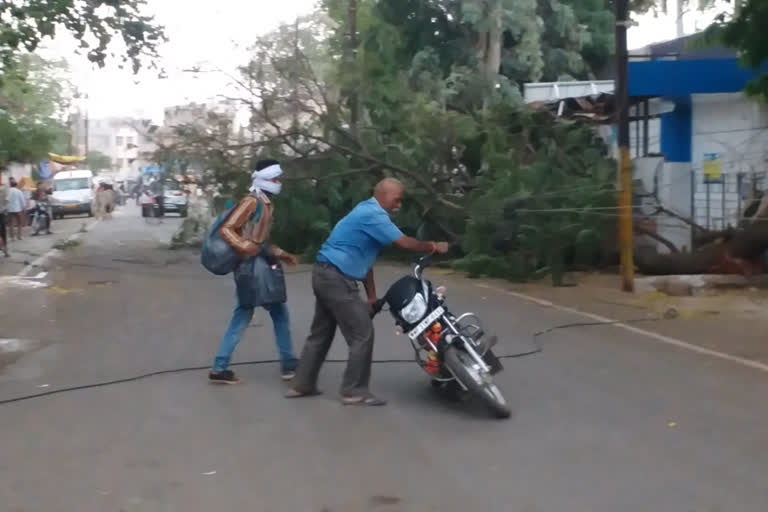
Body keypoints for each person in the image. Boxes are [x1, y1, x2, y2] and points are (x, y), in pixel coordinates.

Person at [287, 178, 449, 406]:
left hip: (324, 274)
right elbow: (405, 243)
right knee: (362, 332)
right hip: (336, 278)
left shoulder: (365, 210)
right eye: (397, 200)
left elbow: (365, 262)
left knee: (321, 332)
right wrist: (433, 246)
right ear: (383, 194)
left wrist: (371, 297)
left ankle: (301, 385)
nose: (399, 206)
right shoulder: (374, 215)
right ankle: (354, 391)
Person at [209, 159, 301, 384]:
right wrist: (243, 246)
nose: (279, 183)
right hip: (250, 266)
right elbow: (226, 229)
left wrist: (282, 254)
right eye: (275, 179)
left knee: (260, 311)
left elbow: (262, 240)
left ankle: (221, 365)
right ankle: (287, 364)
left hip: (259, 262)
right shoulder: (252, 202)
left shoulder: (267, 203)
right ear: (264, 179)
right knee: (258, 311)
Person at [0, 178, 8, 257]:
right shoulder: (4, 188)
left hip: (1, 213)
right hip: (2, 213)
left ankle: (5, 249)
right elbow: (6, 201)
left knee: (2, 233)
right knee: (3, 233)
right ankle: (5, 250)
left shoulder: (3, 188)